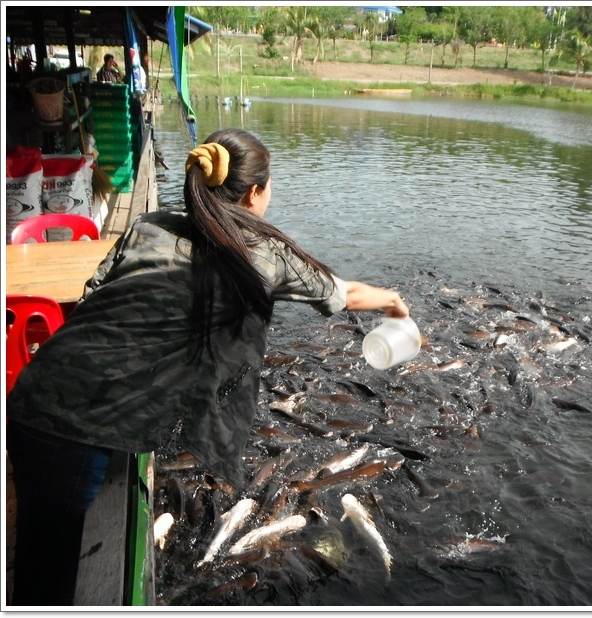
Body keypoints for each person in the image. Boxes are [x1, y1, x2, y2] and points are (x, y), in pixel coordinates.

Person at [6, 128, 410, 605]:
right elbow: (342, 293)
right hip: (71, 428)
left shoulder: (149, 224)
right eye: (270, 185)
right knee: (48, 582)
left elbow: (96, 293)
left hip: (33, 390)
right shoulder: (262, 252)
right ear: (256, 192)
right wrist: (395, 303)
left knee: (38, 541)